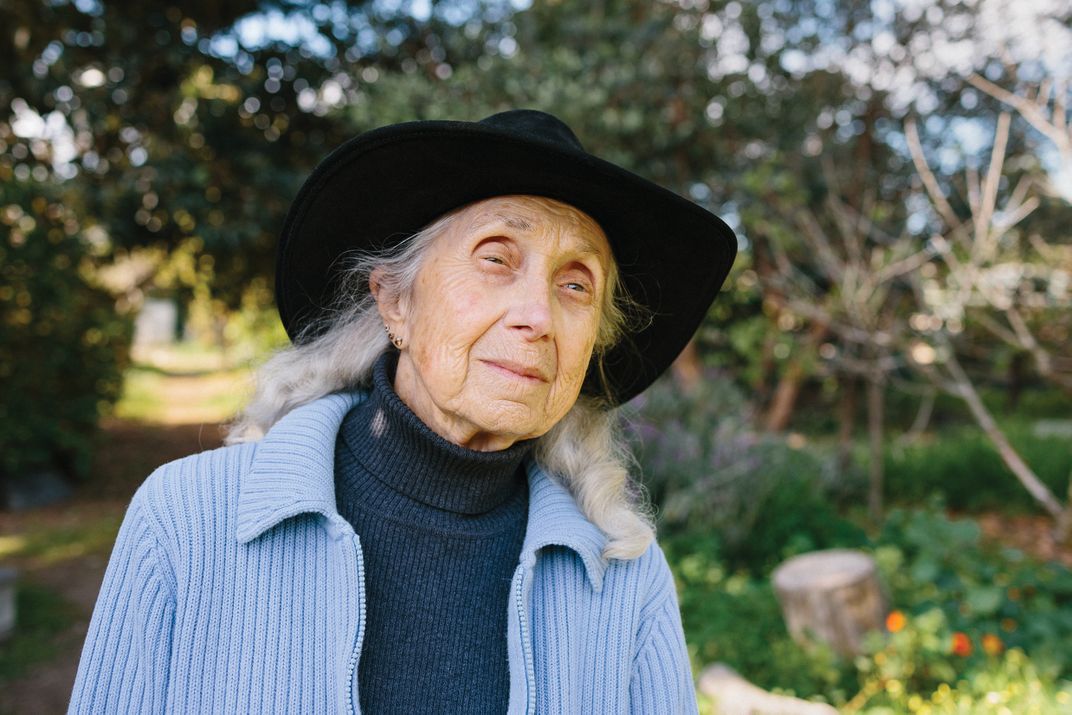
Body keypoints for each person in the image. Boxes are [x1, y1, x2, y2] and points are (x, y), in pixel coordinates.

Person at [68, 109, 737, 713]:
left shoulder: (623, 574)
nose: (538, 317)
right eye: (498, 258)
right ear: (395, 302)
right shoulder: (186, 523)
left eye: (574, 284)